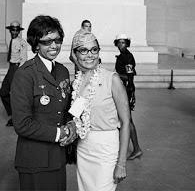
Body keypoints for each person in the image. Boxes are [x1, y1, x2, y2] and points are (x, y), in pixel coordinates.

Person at [10, 15, 76, 191]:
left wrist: (71, 124)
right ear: (36, 44)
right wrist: (58, 133)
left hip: (57, 158)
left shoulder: (62, 71)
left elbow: (65, 108)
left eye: (57, 40)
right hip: (34, 161)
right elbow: (22, 124)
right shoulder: (25, 74)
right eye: (47, 42)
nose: (54, 46)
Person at [69, 30, 130, 190]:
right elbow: (75, 115)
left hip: (106, 149)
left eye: (94, 49)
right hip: (83, 148)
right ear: (75, 54)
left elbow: (126, 123)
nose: (90, 55)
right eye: (83, 50)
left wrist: (121, 163)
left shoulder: (112, 79)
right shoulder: (77, 81)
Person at [114, 33, 143, 160]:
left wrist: (114, 75)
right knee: (124, 119)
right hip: (123, 89)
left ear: (127, 43)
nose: (121, 45)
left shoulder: (127, 57)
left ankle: (136, 149)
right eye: (119, 42)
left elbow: (129, 77)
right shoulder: (122, 56)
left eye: (123, 42)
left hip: (127, 90)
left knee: (128, 120)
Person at [0, 21, 27, 126]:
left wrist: (19, 73)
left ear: (19, 31)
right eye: (12, 30)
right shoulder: (12, 40)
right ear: (10, 31)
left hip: (16, 68)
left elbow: (23, 58)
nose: (14, 32)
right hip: (11, 68)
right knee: (3, 92)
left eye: (16, 30)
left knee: (15, 93)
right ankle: (12, 113)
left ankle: (16, 117)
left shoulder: (22, 42)